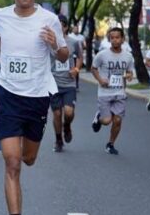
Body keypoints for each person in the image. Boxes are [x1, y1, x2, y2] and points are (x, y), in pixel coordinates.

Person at [0, 0, 69, 215]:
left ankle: (28, 151)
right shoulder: (1, 16)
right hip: (7, 94)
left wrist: (54, 44)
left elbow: (64, 55)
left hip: (37, 97)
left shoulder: (49, 20)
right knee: (12, 162)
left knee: (29, 159)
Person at [90, 27, 134, 155]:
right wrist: (100, 80)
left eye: (117, 37)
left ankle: (110, 144)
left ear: (122, 39)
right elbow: (93, 68)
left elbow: (130, 71)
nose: (115, 40)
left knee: (118, 120)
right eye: (112, 38)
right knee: (107, 121)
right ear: (109, 39)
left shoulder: (128, 56)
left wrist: (130, 75)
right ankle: (99, 117)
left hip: (120, 92)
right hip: (104, 92)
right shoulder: (102, 55)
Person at [50, 13, 82, 152]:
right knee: (57, 114)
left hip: (69, 83)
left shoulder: (73, 42)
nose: (59, 28)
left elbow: (80, 57)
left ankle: (67, 126)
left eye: (61, 26)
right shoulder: (48, 42)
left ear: (66, 27)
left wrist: (76, 68)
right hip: (53, 83)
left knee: (68, 113)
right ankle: (58, 140)